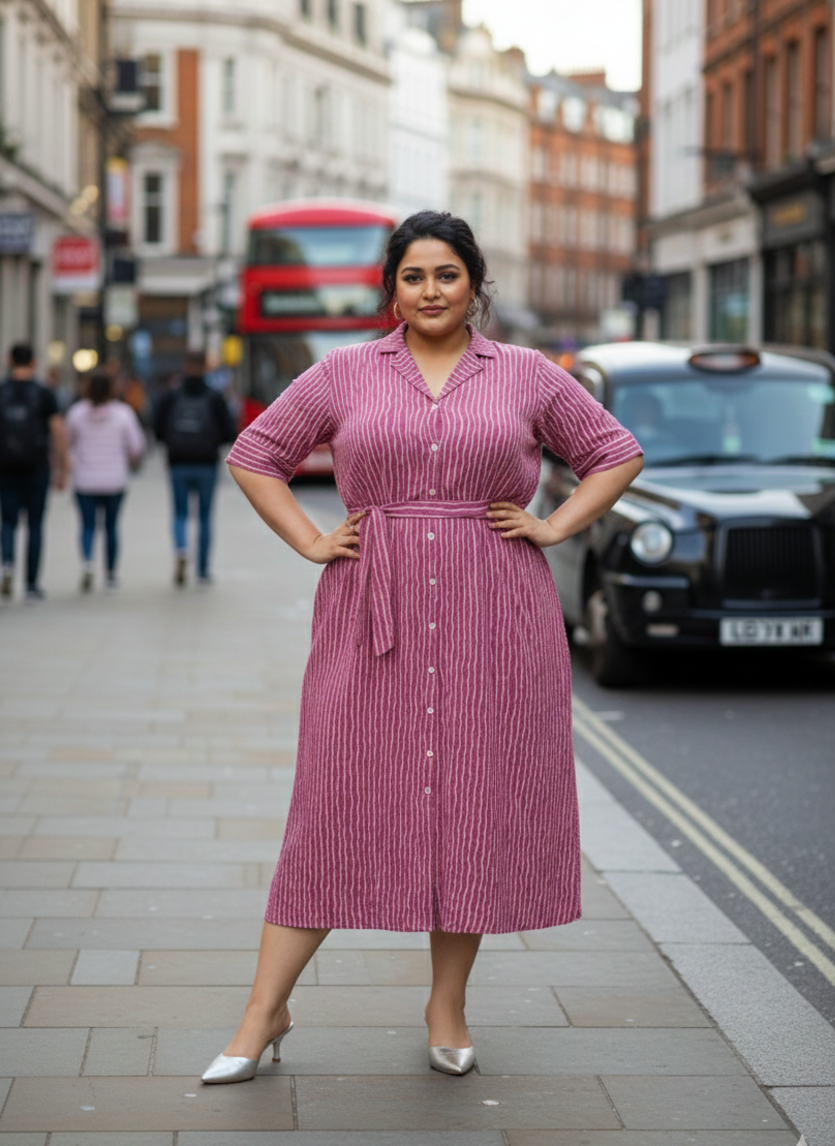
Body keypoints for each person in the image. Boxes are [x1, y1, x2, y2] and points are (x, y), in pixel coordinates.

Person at [203, 211, 643, 1085]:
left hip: (497, 613)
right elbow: (256, 454)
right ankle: (264, 1012)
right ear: (391, 288)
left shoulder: (523, 373)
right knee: (334, 803)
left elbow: (615, 453)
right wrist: (309, 539)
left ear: (475, 283)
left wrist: (553, 524)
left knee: (469, 805)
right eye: (414, 276)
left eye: (447, 275)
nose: (431, 291)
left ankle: (447, 1005)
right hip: (374, 607)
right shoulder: (342, 374)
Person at [154, 350, 235, 586]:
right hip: (206, 463)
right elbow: (228, 431)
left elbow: (158, 428)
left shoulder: (171, 396)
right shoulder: (214, 397)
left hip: (178, 462)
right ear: (205, 367)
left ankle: (181, 548)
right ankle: (202, 571)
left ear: (186, 364)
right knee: (205, 517)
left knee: (179, 513)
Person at [0, 343, 70, 601]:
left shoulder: (2, 391)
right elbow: (59, 431)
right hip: (37, 466)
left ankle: (6, 564)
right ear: (33, 363)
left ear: (9, 360)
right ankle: (31, 584)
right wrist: (63, 467)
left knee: (7, 521)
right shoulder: (43, 394)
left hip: (5, 466)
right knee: (35, 524)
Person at [65, 370, 147, 591]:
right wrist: (130, 461)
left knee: (88, 525)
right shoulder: (123, 414)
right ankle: (110, 574)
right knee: (111, 527)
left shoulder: (76, 413)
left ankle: (88, 563)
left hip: (85, 479)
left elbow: (66, 443)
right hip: (114, 479)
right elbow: (137, 446)